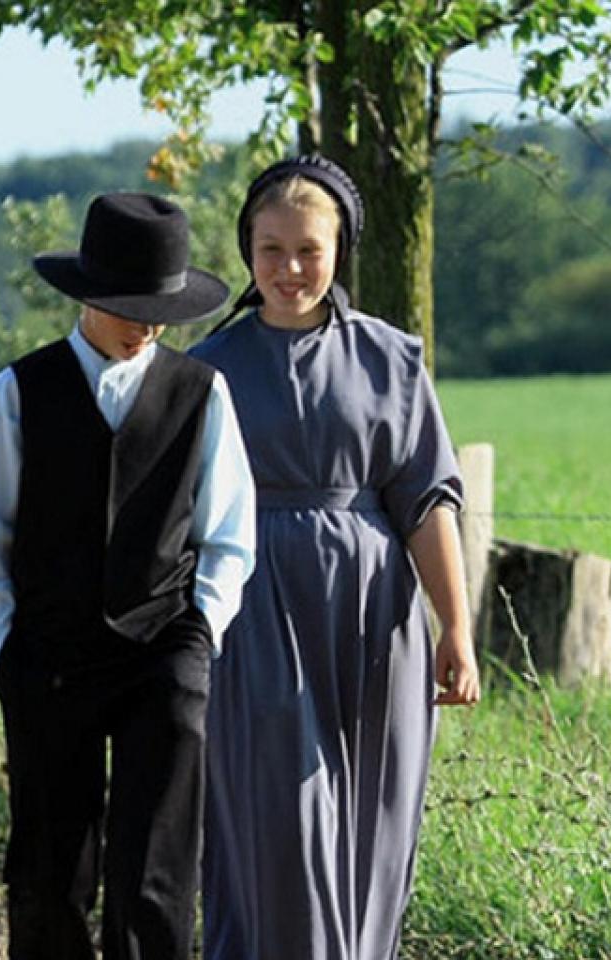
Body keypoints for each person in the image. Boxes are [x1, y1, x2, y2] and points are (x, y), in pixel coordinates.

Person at [190, 155, 480, 960]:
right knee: (281, 814)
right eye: (270, 249)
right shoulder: (208, 368)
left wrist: (454, 625)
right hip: (253, 606)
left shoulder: (392, 359)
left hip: (372, 614)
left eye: (308, 250)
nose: (289, 269)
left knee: (371, 820)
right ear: (246, 251)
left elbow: (426, 498)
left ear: (340, 249)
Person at [0, 193, 256, 960]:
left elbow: (228, 534)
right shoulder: (18, 391)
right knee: (49, 870)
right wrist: (7, 653)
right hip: (47, 656)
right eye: (129, 307)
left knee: (156, 871)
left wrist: (200, 631)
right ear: (86, 295)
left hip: (164, 650)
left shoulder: (202, 393)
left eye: (159, 310)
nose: (145, 326)